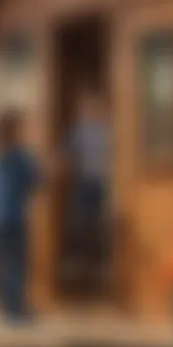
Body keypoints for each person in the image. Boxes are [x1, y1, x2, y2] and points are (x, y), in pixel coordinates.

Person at [0, 109, 42, 324]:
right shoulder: (18, 156)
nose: (23, 132)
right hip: (11, 218)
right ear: (14, 131)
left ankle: (7, 308)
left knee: (4, 262)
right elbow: (38, 181)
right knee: (16, 263)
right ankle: (14, 314)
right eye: (21, 128)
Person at [64, 89, 110, 287]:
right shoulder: (78, 130)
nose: (88, 110)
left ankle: (100, 265)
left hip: (103, 182)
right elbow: (65, 152)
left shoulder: (109, 130)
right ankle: (79, 262)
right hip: (84, 182)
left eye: (93, 106)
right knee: (77, 221)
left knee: (102, 224)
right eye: (85, 107)